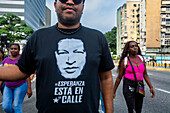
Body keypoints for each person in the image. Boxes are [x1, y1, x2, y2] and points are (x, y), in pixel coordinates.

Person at [0, 0, 114, 113]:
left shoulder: (97, 38)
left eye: (77, 0)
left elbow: (106, 78)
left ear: (83, 6)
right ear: (55, 5)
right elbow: (21, 70)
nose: (70, 2)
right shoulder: (38, 37)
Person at [113, 41, 155, 113]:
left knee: (138, 109)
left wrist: (150, 87)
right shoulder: (125, 61)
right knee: (131, 109)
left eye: (136, 46)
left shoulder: (141, 59)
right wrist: (114, 91)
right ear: (128, 49)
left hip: (140, 85)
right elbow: (119, 77)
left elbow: (145, 74)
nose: (135, 48)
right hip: (128, 85)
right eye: (132, 46)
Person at [0, 43, 32, 113]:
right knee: (6, 107)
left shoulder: (22, 60)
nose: (13, 50)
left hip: (20, 86)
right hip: (8, 86)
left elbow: (26, 75)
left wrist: (29, 88)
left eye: (15, 49)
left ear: (19, 50)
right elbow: (3, 74)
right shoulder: (5, 60)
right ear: (9, 50)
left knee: (17, 106)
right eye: (12, 49)